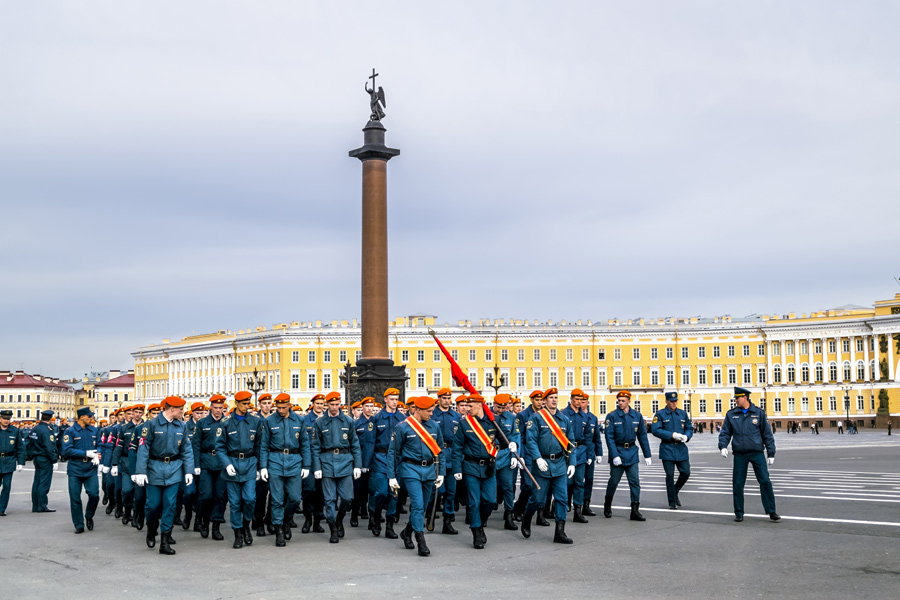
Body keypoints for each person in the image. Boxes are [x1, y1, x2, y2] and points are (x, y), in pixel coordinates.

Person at [133, 396, 195, 554]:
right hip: (154, 468)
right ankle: (151, 529)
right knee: (152, 505)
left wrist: (189, 471)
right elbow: (143, 448)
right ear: (171, 409)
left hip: (174, 469)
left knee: (170, 504)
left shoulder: (182, 426)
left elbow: (186, 449)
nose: (182, 411)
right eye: (180, 408)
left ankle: (165, 541)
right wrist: (140, 471)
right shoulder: (151, 424)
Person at [387, 396, 444, 556]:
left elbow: (440, 451)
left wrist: (442, 473)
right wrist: (391, 476)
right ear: (418, 410)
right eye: (429, 411)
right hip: (410, 469)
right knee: (418, 505)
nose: (432, 414)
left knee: (423, 507)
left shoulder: (434, 426)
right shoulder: (403, 427)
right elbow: (394, 452)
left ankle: (407, 531)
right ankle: (421, 540)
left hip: (429, 469)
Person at [519, 388, 576, 544]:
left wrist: (572, 463)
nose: (554, 400)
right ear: (544, 401)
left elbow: (571, 443)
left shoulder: (564, 420)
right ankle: (527, 518)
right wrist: (537, 458)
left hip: (559, 464)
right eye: (551, 397)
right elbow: (530, 440)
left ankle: (559, 532)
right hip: (542, 464)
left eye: (556, 397)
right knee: (537, 499)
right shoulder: (536, 418)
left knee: (562, 499)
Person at [718, 387, 779, 522]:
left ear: (745, 397)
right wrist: (723, 446)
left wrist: (771, 453)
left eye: (737, 398)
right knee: (738, 483)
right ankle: (739, 512)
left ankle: (771, 511)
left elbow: (767, 434)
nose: (735, 400)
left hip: (757, 452)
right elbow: (726, 432)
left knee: (765, 481)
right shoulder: (731, 414)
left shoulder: (758, 413)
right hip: (740, 454)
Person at [259, 392, 310, 547]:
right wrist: (263, 467)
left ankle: (286, 518)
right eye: (278, 407)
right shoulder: (269, 421)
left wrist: (307, 465)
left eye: (283, 407)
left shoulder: (299, 421)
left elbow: (305, 444)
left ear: (289, 405)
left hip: (294, 462)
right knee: (276, 499)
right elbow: (264, 445)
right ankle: (279, 530)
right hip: (275, 462)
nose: (280, 410)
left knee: (295, 497)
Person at [311, 391, 362, 543]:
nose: (334, 407)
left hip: (345, 462)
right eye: (332, 404)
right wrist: (317, 467)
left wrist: (357, 466)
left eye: (337, 404)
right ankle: (333, 527)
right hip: (326, 462)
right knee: (330, 499)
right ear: (327, 404)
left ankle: (339, 519)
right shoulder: (320, 422)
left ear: (340, 404)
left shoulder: (348, 421)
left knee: (347, 498)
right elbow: (314, 446)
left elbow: (355, 444)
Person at [452, 392, 501, 549]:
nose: (467, 409)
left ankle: (479, 523)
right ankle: (476, 532)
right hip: (471, 466)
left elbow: (504, 438)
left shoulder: (494, 421)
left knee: (490, 500)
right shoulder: (464, 423)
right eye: (466, 406)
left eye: (470, 406)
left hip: (489, 467)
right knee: (474, 502)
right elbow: (457, 447)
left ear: (479, 405)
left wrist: (511, 445)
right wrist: (457, 468)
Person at [215, 390, 262, 549]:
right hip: (233, 464)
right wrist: (226, 464)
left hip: (249, 464)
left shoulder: (255, 421)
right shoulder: (226, 422)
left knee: (250, 499)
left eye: (248, 403)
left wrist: (259, 467)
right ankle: (237, 533)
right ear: (236, 403)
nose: (246, 406)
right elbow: (220, 447)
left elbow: (259, 445)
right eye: (243, 403)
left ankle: (246, 525)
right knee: (234, 503)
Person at [603, 391, 652, 521]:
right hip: (618, 452)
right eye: (619, 400)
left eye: (623, 400)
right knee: (613, 482)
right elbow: (609, 437)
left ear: (629, 401)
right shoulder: (612, 416)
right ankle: (607, 504)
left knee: (635, 482)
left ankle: (635, 510)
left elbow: (642, 436)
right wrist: (614, 455)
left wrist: (647, 455)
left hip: (631, 452)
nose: (620, 403)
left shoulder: (636, 416)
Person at [368, 387, 405, 539]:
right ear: (385, 400)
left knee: (393, 494)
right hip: (380, 459)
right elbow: (370, 442)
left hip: (396, 459)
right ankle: (376, 516)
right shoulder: (376, 419)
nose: (394, 402)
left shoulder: (403, 419)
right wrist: (367, 464)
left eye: (396, 399)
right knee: (381, 492)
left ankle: (389, 526)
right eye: (392, 399)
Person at [60, 407, 101, 533]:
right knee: (75, 498)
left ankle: (89, 515)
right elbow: (66, 450)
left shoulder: (94, 430)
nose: (91, 418)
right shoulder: (70, 431)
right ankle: (78, 523)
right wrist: (86, 453)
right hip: (75, 468)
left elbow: (100, 444)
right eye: (89, 416)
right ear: (82, 417)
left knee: (94, 495)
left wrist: (98, 454)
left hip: (90, 468)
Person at [651, 392, 693, 510]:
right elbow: (656, 430)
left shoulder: (682, 414)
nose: (674, 403)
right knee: (669, 475)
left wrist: (687, 436)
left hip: (681, 448)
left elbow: (689, 427)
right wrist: (672, 435)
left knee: (686, 472)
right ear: (666, 401)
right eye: (671, 401)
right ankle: (672, 501)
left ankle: (674, 492)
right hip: (667, 448)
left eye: (675, 401)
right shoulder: (660, 414)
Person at [195, 395, 228, 541]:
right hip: (206, 462)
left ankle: (216, 526)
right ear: (211, 408)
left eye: (221, 408)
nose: (218, 411)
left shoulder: (227, 422)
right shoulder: (202, 423)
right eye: (215, 408)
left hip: (221, 464)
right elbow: (195, 445)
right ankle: (204, 520)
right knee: (206, 495)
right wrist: (196, 465)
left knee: (220, 496)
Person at [430, 388, 460, 534]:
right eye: (444, 398)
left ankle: (447, 521)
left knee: (451, 491)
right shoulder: (432, 414)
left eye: (449, 398)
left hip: (452, 454)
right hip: (437, 454)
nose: (447, 400)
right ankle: (430, 512)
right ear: (439, 399)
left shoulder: (456, 415)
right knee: (437, 489)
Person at [513, 390, 544, 522]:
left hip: (542, 453)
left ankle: (540, 513)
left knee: (542, 483)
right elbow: (519, 436)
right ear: (531, 400)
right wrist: (520, 455)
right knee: (528, 484)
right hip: (527, 452)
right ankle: (519, 507)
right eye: (537, 400)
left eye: (541, 399)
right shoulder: (522, 415)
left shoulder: (546, 414)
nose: (540, 402)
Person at [112, 404, 144, 528]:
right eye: (135, 412)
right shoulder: (124, 428)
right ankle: (127, 511)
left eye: (140, 412)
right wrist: (114, 463)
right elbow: (119, 446)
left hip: (140, 462)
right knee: (126, 490)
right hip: (126, 462)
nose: (137, 415)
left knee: (139, 493)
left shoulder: (146, 427)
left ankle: (136, 515)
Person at [492, 393, 520, 531]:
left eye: (504, 407)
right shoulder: (488, 417)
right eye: (499, 407)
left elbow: (515, 436)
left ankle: (509, 515)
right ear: (494, 404)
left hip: (505, 454)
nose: (501, 410)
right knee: (490, 486)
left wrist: (515, 455)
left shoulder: (512, 418)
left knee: (508, 486)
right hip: (490, 454)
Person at [561, 389, 589, 523]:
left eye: (580, 400)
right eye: (576, 399)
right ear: (571, 399)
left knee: (579, 482)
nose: (579, 402)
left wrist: (590, 454)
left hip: (581, 451)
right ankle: (561, 507)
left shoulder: (584, 416)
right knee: (567, 482)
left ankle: (578, 510)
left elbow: (588, 437)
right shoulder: (563, 414)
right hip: (568, 451)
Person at [301, 393, 327, 534]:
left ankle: (317, 521)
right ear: (313, 404)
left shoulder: (326, 419)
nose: (319, 406)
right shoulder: (305, 420)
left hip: (323, 461)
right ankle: (307, 519)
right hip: (309, 461)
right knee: (309, 490)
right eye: (317, 403)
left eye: (322, 404)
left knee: (320, 492)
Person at [253, 392, 275, 538]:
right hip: (259, 460)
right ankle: (259, 521)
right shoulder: (255, 420)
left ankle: (269, 519)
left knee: (275, 493)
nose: (267, 406)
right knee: (260, 494)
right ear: (259, 405)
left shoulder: (275, 419)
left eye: (269, 403)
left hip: (273, 460)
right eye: (264, 403)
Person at [351, 397, 375, 527]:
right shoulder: (356, 424)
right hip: (359, 462)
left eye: (372, 406)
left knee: (371, 490)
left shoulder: (376, 422)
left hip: (372, 462)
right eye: (367, 406)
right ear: (363, 408)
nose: (370, 409)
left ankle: (370, 515)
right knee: (357, 490)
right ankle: (355, 514)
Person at [29, 410, 59, 513]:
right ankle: (42, 506)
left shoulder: (35, 428)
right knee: (44, 483)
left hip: (37, 457)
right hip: (45, 458)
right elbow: (49, 446)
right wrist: (54, 460)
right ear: (50, 418)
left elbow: (30, 443)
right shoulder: (47, 430)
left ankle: (36, 505)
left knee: (37, 482)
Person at [0, 409, 27, 516]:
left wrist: (20, 462)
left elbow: (20, 447)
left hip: (9, 461)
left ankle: (2, 508)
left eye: (8, 419)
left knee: (6, 487)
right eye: (4, 419)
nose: (6, 421)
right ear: (0, 418)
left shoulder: (14, 431)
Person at [582, 393, 603, 516]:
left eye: (584, 401)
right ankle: (569, 502)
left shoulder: (593, 418)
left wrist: (598, 453)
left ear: (588, 403)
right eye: (580, 400)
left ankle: (586, 504)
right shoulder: (575, 416)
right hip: (579, 452)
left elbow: (597, 438)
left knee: (589, 480)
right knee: (574, 481)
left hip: (590, 453)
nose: (582, 403)